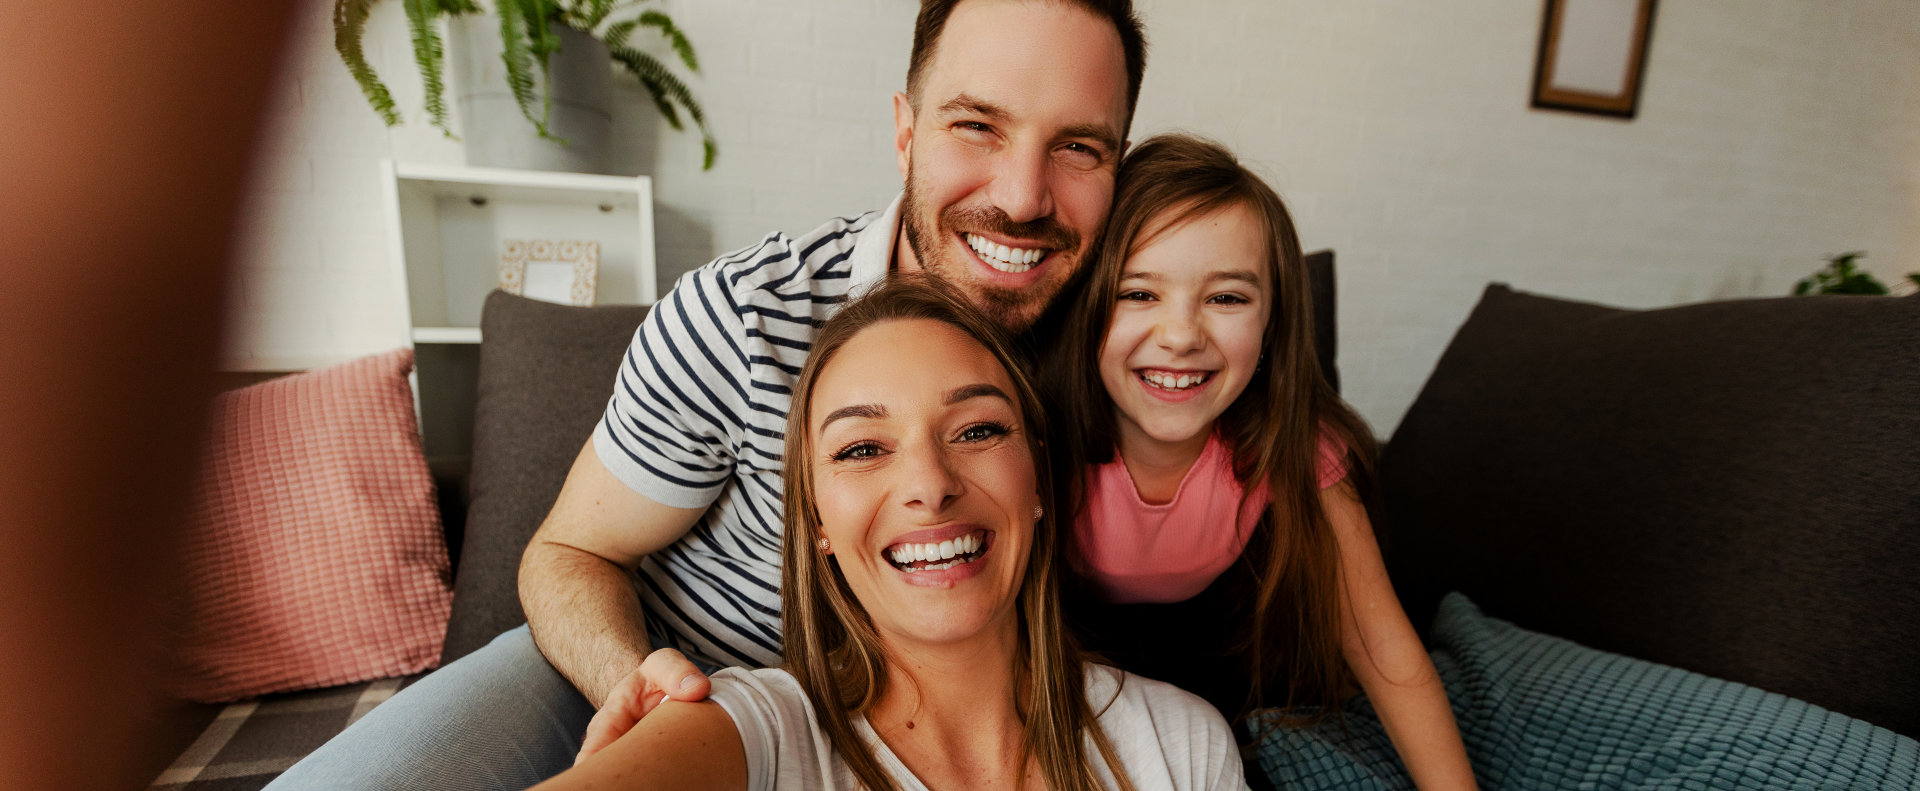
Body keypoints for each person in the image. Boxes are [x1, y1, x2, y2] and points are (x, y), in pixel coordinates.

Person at [268, 1, 1147, 787]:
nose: (1024, 197)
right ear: (906, 130)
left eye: (1078, 147)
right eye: (977, 126)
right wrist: (641, 689)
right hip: (646, 692)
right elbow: (569, 552)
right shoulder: (743, 317)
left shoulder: (1129, 343)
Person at [533, 277, 1246, 791]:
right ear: (818, 525)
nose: (929, 484)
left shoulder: (1181, 745)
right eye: (862, 448)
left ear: (1037, 485)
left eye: (978, 429)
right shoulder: (746, 732)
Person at [1046, 134, 1479, 789]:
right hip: (1060, 661)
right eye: (1139, 293)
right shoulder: (1031, 437)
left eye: (1226, 298)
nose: (1182, 334)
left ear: (1273, 324)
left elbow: (1382, 649)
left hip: (1226, 675)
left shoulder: (1300, 445)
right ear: (1085, 306)